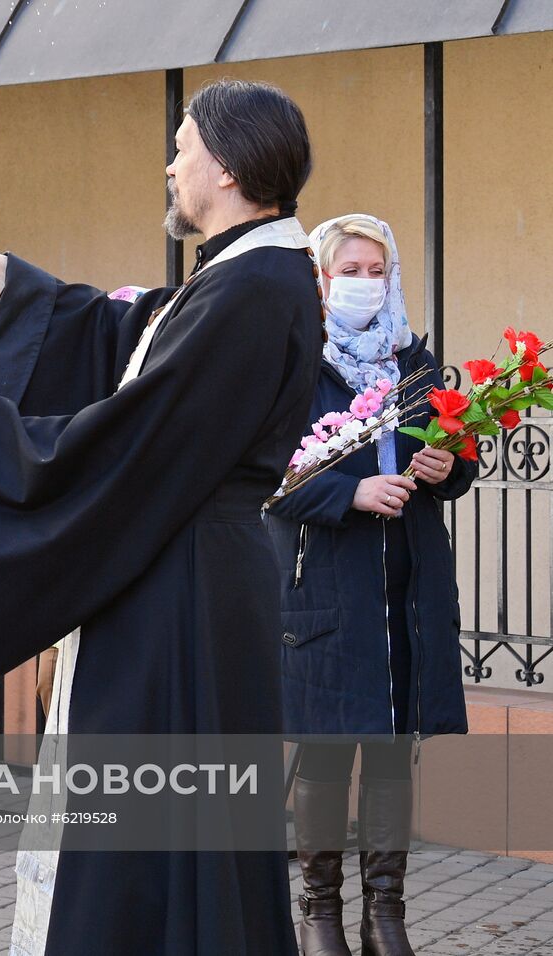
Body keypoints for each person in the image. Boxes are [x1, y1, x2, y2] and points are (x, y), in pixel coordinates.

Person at [0, 79, 322, 955]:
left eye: (182, 147)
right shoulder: (245, 275)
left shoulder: (254, 287)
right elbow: (130, 339)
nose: (171, 165)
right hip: (188, 577)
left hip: (184, 602)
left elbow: (131, 435)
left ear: (226, 168)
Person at [267, 215, 474, 956]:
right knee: (326, 751)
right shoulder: (295, 363)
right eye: (349, 268)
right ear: (321, 280)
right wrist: (347, 496)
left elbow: (454, 445)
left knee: (392, 750)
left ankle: (386, 914)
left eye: (377, 269)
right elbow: (262, 477)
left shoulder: (413, 362)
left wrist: (450, 466)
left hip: (406, 586)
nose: (365, 281)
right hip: (326, 583)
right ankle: (318, 912)